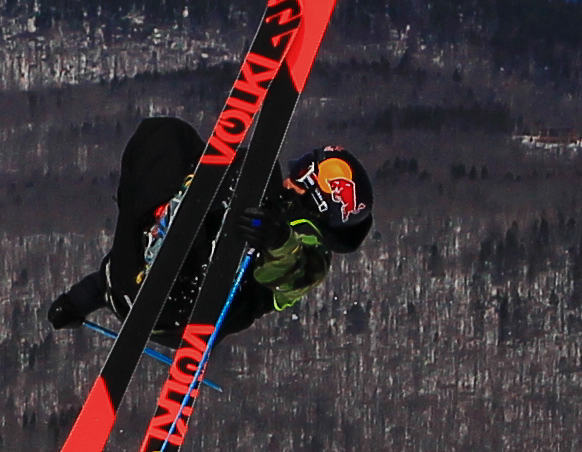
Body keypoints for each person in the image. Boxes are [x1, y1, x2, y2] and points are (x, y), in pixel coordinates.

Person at [48, 123, 373, 337]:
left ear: (319, 202)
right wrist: (75, 303)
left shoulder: (313, 252)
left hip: (187, 310)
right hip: (130, 280)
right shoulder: (270, 197)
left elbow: (290, 273)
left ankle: (179, 242)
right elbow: (107, 280)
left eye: (302, 173)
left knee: (257, 172)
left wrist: (277, 240)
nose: (293, 174)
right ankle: (164, 224)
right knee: (168, 135)